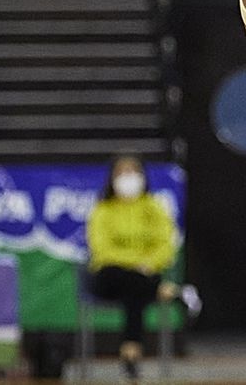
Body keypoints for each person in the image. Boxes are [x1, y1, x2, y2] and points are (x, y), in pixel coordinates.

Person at [84, 156, 199, 380]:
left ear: (143, 176)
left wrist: (150, 263)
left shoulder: (154, 207)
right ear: (112, 178)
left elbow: (166, 244)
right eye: (122, 172)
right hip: (109, 276)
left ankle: (130, 355)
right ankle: (170, 292)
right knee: (130, 281)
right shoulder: (103, 209)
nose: (128, 177)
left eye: (133, 171)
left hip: (143, 276)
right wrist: (136, 263)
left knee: (133, 293)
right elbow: (101, 249)